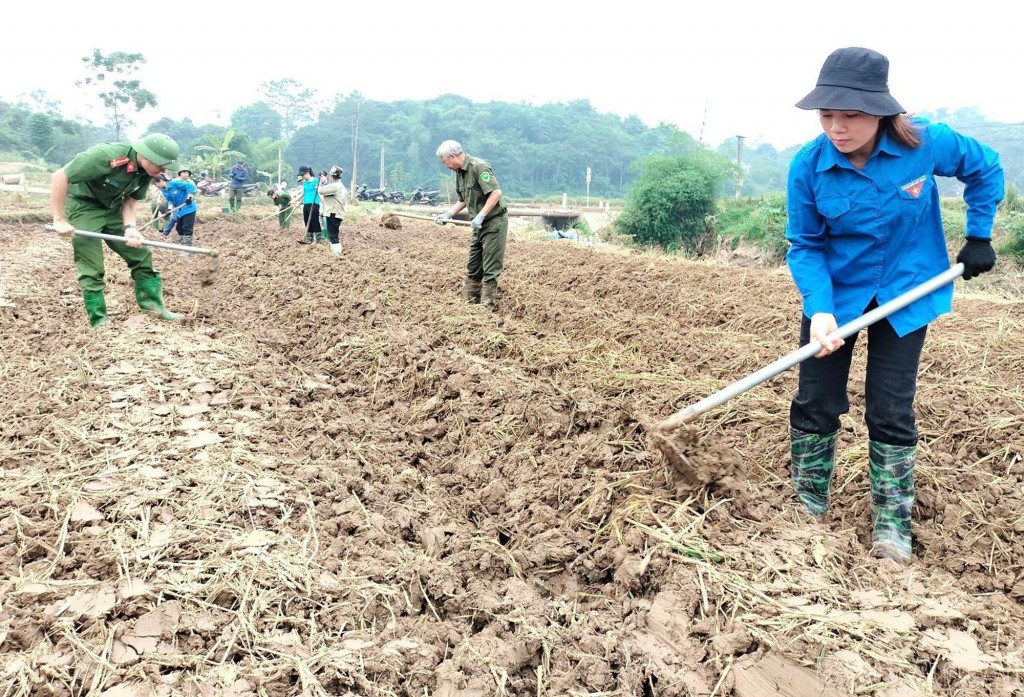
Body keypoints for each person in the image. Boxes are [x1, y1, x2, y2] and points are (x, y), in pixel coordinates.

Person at [785, 47, 1003, 564]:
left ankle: (891, 522)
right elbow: (806, 244)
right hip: (834, 297)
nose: (836, 127)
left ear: (882, 111)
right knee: (815, 399)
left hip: (908, 291)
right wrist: (819, 310)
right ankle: (806, 507)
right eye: (827, 115)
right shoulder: (809, 166)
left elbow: (986, 167)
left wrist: (979, 235)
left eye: (850, 116)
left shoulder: (926, 142)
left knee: (890, 406)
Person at [50, 132, 184, 327]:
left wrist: (130, 227)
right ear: (146, 155)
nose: (163, 170)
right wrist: (59, 219)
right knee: (92, 266)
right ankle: (99, 321)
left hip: (112, 209)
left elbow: (131, 201)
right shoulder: (105, 155)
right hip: (84, 208)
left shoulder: (148, 171)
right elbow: (59, 176)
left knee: (141, 254)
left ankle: (154, 309)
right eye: (161, 164)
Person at [434, 140, 508, 312]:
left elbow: (496, 193)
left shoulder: (478, 167)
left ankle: (486, 309)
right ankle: (469, 306)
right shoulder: (459, 173)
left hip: (493, 223)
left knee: (490, 267)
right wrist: (448, 214)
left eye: (445, 162)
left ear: (452, 157)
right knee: (473, 266)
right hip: (478, 225)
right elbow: (463, 199)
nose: (446, 166)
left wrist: (482, 215)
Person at [163, 167, 199, 248]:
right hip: (178, 207)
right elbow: (170, 198)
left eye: (187, 173)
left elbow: (193, 190)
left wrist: (189, 197)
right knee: (179, 227)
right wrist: (169, 209)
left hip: (188, 206)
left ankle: (186, 246)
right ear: (180, 173)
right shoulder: (175, 182)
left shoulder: (190, 182)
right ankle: (183, 241)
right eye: (184, 172)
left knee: (187, 227)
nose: (185, 174)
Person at [317, 165, 348, 256]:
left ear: (331, 177)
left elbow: (321, 191)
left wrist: (319, 186)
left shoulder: (335, 186)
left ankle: (337, 254)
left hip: (333, 213)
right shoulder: (341, 186)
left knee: (333, 235)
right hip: (336, 213)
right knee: (333, 234)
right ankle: (334, 253)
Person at [296, 165, 323, 245]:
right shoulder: (304, 183)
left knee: (315, 222)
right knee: (307, 221)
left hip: (314, 204)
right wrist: (295, 201)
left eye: (302, 175)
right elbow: (302, 194)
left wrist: (323, 204)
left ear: (307, 173)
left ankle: (318, 241)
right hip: (306, 204)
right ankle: (309, 240)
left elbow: (320, 193)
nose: (302, 176)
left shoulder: (316, 181)